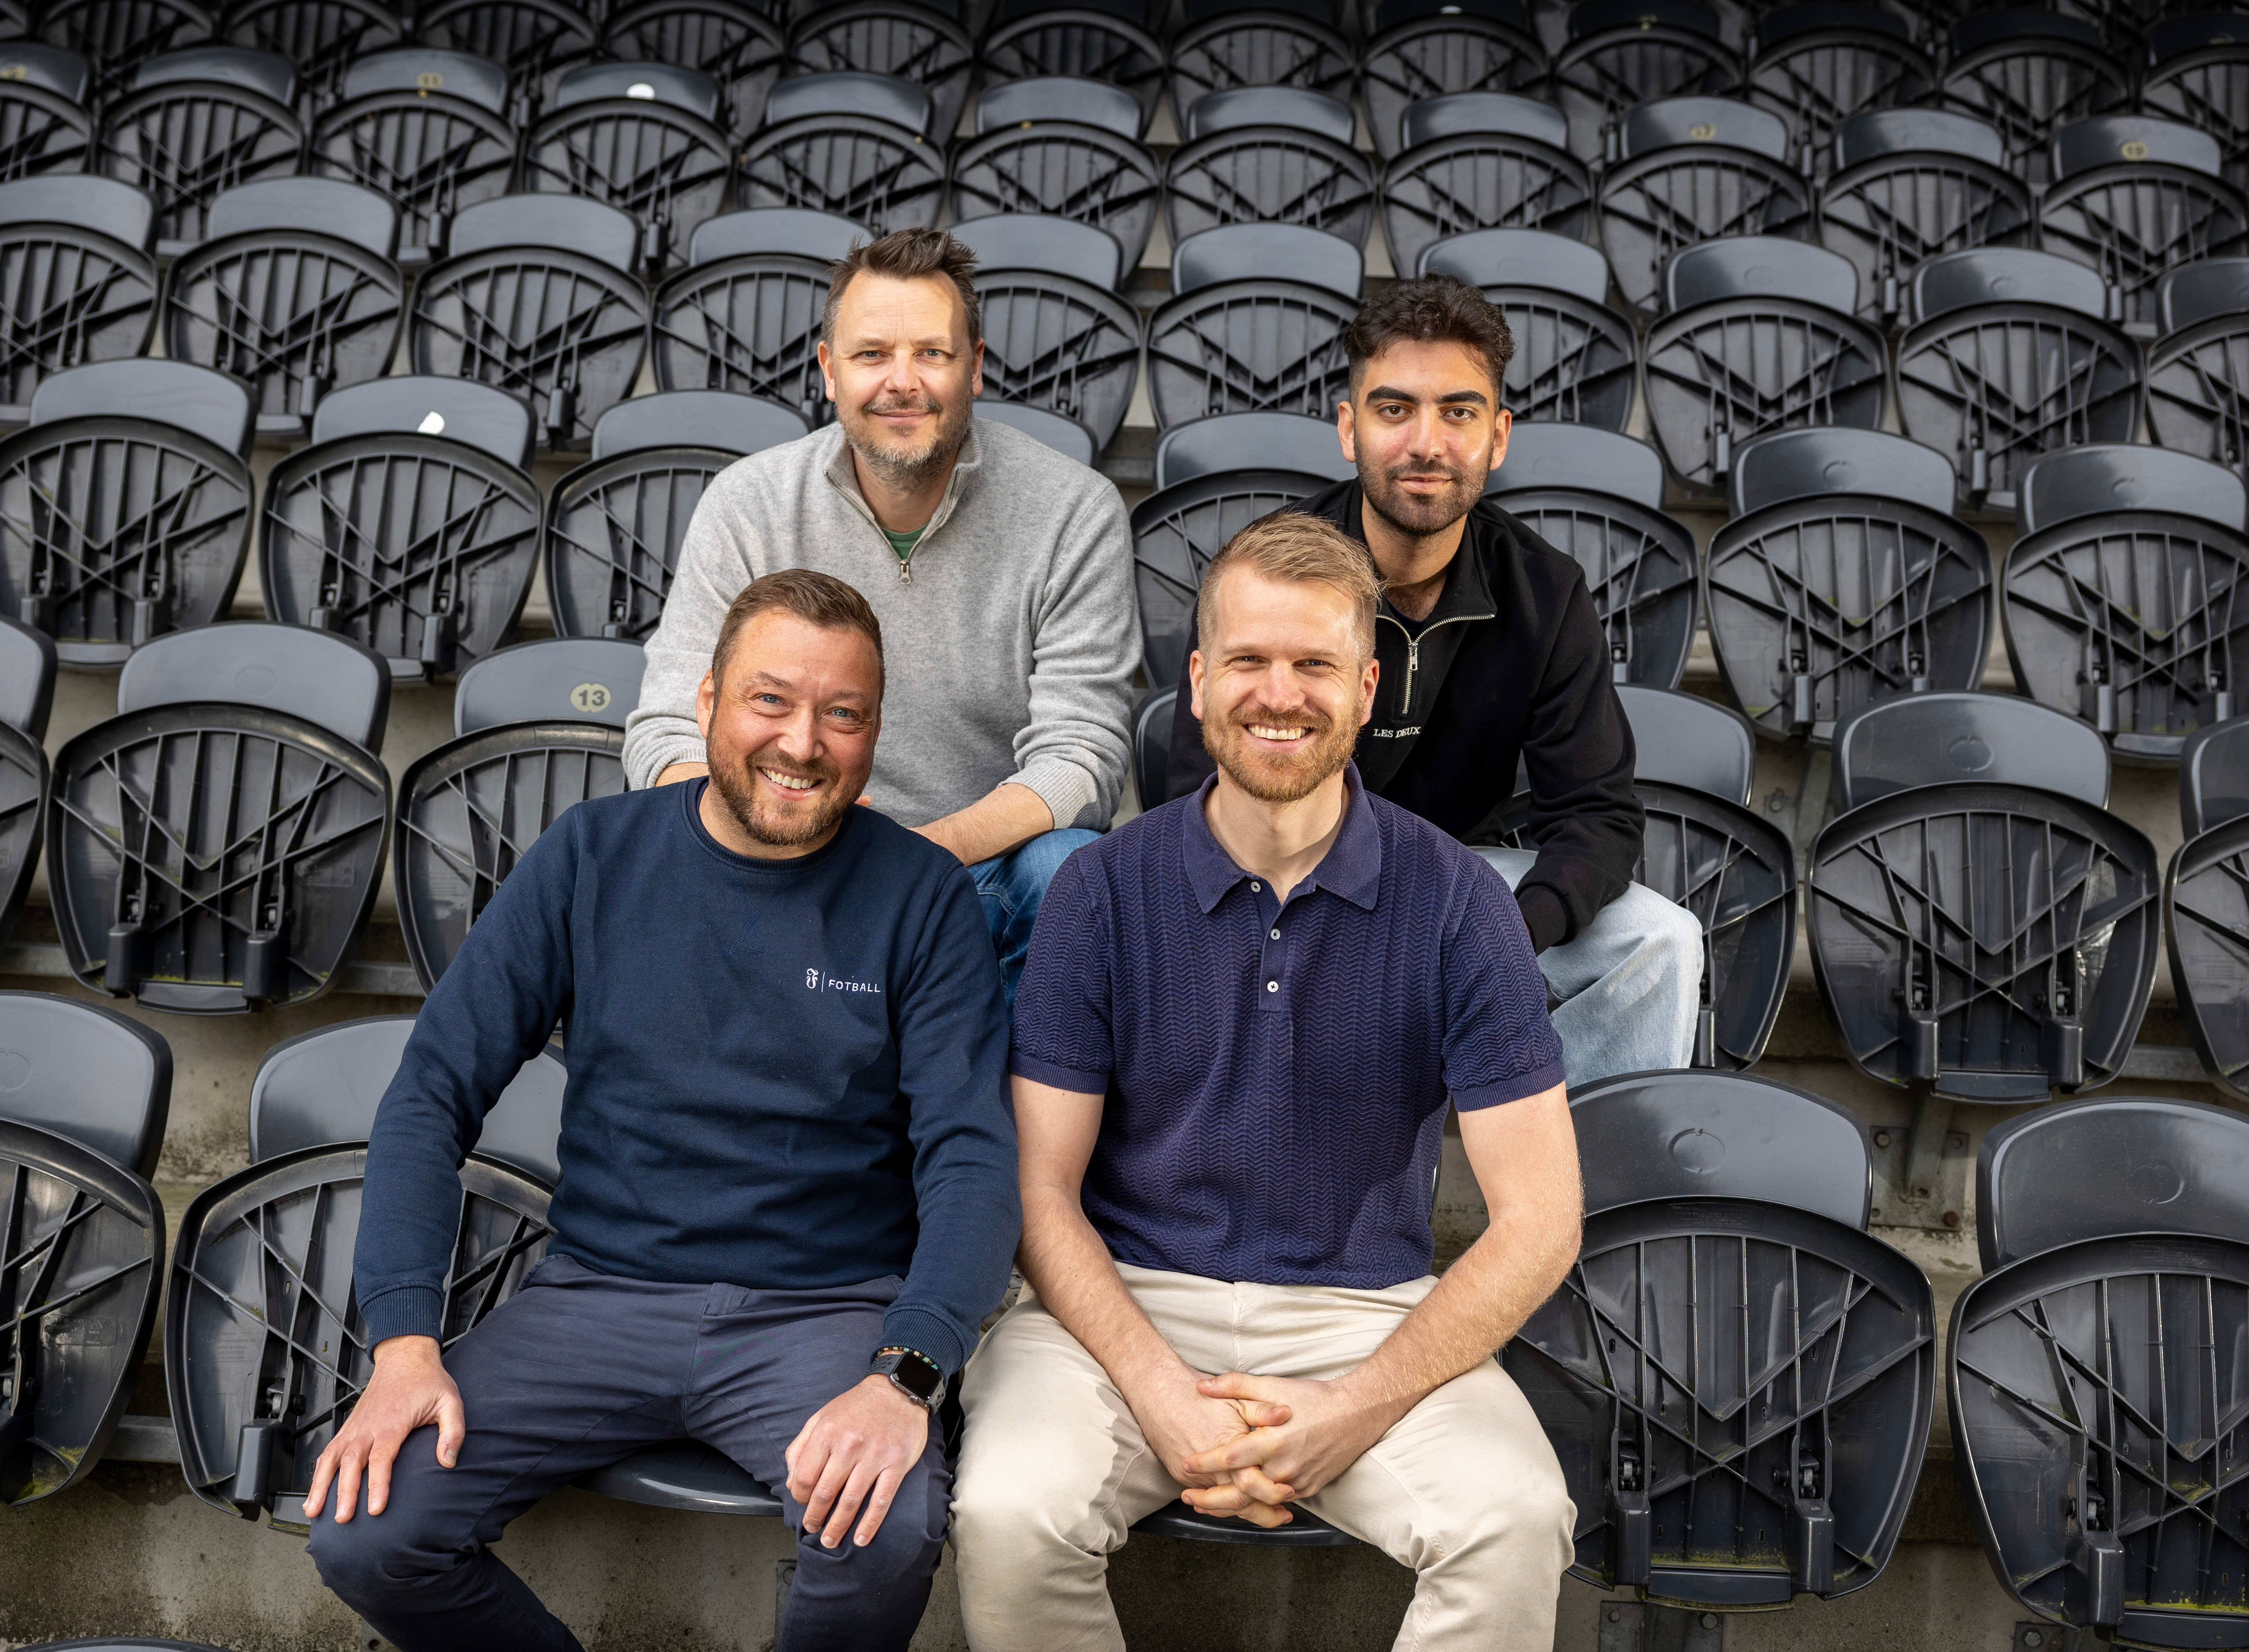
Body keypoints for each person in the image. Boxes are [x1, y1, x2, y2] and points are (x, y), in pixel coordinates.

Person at [303, 570, 1019, 1652]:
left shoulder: (920, 895)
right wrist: (405, 1342)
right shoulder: (592, 856)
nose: (803, 742)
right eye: (770, 701)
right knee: (368, 1533)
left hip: (821, 1311)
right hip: (599, 1296)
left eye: (844, 714)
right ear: (707, 701)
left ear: (876, 731)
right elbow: (427, 1098)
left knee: (888, 1530)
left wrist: (907, 1373)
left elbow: (971, 1158)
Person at [952, 514, 1583, 1652]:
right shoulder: (1098, 893)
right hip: (1123, 1306)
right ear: (1198, 682)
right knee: (1009, 1510)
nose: (1277, 694)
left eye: (1314, 665)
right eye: (1247, 660)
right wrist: (1160, 1393)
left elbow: (1540, 1222)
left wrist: (1352, 1412)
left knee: (1516, 1520)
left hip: (1362, 1317)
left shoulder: (1458, 902)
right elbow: (1038, 1194)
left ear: (1367, 686)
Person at [1165, 275, 1701, 1081]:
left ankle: (1575, 1198)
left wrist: (1507, 936)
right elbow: (1194, 786)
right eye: (1394, 410)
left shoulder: (1544, 591)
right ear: (1349, 429)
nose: (1426, 443)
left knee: (1662, 941)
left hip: (1458, 884)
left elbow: (1598, 816)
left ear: (1499, 436)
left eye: (1459, 412)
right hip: (1288, 877)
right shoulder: (1270, 574)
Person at [624, 227, 1141, 1004]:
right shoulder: (748, 504)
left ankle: (1010, 1118)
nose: (903, 382)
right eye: (872, 355)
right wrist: (783, 839)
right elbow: (664, 731)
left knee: (1067, 869)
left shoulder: (1074, 511)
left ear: (976, 366)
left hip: (975, 868)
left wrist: (914, 855)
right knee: (650, 845)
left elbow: (1084, 757)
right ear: (829, 370)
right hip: (784, 857)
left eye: (932, 354)